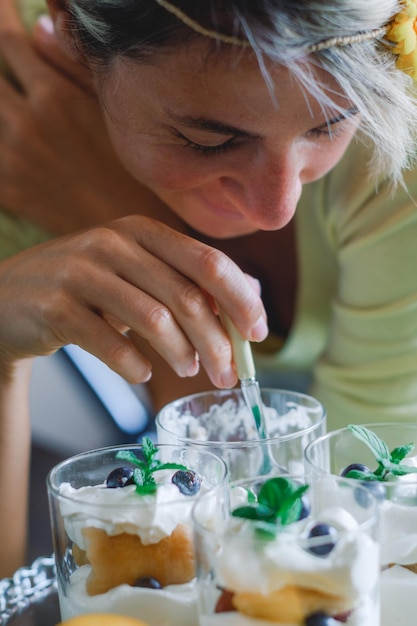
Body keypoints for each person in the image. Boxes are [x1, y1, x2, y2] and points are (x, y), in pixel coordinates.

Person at [1, 0, 417, 575]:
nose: (278, 207)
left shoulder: (401, 134)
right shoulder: (14, 113)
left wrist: (110, 207)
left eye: (329, 124)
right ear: (68, 24)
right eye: (209, 141)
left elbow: (335, 541)